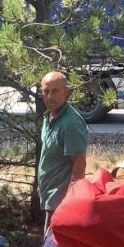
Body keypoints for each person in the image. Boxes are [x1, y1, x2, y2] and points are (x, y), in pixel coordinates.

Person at [38, 71, 88, 231]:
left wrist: (72, 200)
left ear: (66, 92)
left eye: (55, 91)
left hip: (61, 200)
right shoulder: (49, 116)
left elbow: (79, 163)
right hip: (49, 193)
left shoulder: (70, 123)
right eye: (46, 91)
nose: (50, 96)